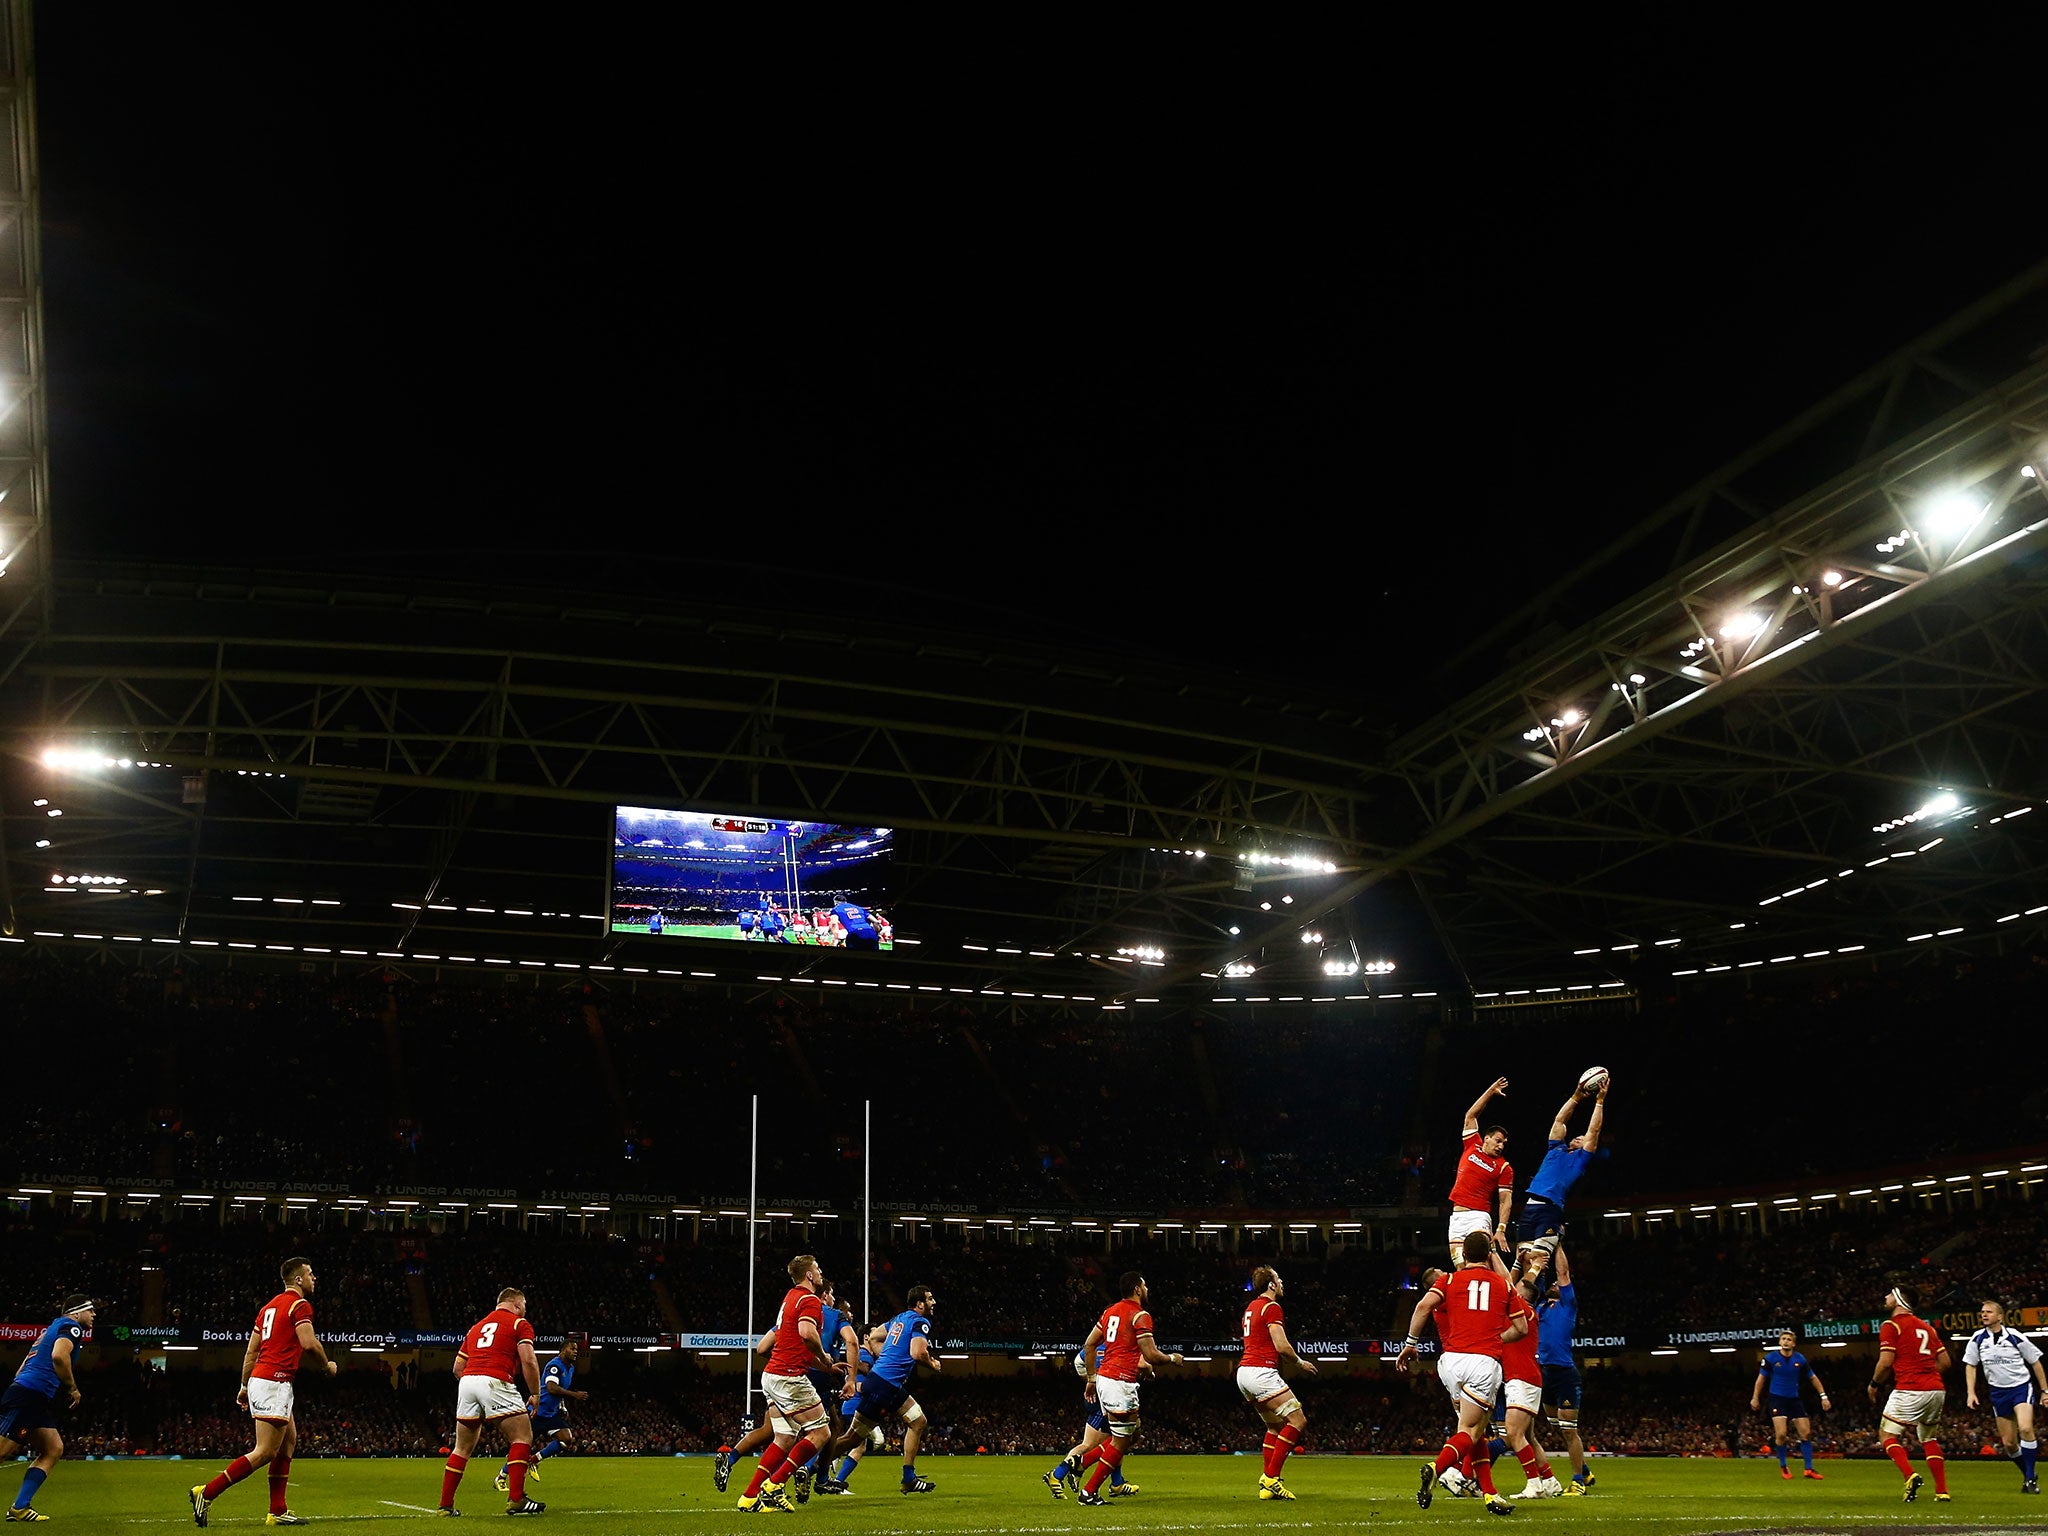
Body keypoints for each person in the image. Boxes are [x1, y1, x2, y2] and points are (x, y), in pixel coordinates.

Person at [189, 1257, 335, 1529]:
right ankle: (206, 1493)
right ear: (299, 1279)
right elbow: (309, 1343)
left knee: (288, 1440)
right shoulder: (299, 1305)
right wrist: (327, 1366)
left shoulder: (268, 1308)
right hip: (275, 1381)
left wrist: (245, 1386)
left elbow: (251, 1352)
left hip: (261, 1379)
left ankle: (277, 1510)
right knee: (265, 1451)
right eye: (311, 1273)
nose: (315, 1278)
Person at [1398, 1231, 1526, 1518]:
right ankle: (1438, 1468)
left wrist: (1409, 1345)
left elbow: (1422, 1306)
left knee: (1476, 1431)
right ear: (1489, 1253)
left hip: (1451, 1363)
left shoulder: (1450, 1281)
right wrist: (1496, 1338)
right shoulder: (1503, 1286)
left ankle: (1490, 1494)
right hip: (1482, 1362)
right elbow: (1522, 1329)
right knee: (1470, 1430)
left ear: (1464, 1255)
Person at [718, 1280, 858, 1498]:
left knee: (775, 1433)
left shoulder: (790, 1310)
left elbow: (762, 1347)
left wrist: (783, 1359)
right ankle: (807, 1475)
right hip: (806, 1378)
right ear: (824, 1295)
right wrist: (847, 1376)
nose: (832, 1300)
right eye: (831, 1295)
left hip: (780, 1375)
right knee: (824, 1430)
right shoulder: (829, 1313)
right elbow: (851, 1342)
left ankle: (735, 1464)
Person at [735, 1255, 839, 1512]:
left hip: (772, 1375)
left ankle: (749, 1497)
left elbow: (791, 1345)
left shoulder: (790, 1298)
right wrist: (825, 1356)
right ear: (810, 1275)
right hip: (788, 1377)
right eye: (818, 1268)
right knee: (822, 1432)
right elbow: (806, 1333)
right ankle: (774, 1485)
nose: (821, 1271)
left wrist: (825, 1366)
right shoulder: (810, 1300)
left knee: (784, 1437)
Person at [1072, 1274, 1185, 1507]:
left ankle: (1081, 1463)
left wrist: (1092, 1378)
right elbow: (1152, 1355)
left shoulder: (1109, 1311)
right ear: (1137, 1289)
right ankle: (1089, 1492)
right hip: (1120, 1382)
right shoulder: (1140, 1315)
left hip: (1105, 1380)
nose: (1147, 1289)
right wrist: (1173, 1358)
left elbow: (1089, 1344)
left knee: (1131, 1435)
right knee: (1121, 1442)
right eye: (1145, 1285)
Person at [822, 1286, 944, 1496]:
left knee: (918, 1421)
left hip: (885, 1383)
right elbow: (918, 1352)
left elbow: (875, 1338)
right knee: (853, 1439)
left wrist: (887, 1354)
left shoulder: (899, 1319)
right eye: (930, 1299)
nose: (934, 1303)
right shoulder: (920, 1321)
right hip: (885, 1385)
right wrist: (932, 1364)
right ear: (920, 1304)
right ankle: (812, 1466)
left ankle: (909, 1478)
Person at [437, 1286, 545, 1517]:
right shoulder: (519, 1324)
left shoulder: (475, 1328)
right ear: (516, 1303)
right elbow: (529, 1361)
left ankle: (445, 1506)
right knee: (522, 1436)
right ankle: (516, 1499)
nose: (525, 1309)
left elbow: (457, 1367)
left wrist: (477, 1390)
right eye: (524, 1305)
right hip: (494, 1379)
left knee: (462, 1447)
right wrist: (535, 1394)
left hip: (467, 1382)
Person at [0, 1294, 94, 1524]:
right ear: (76, 1311)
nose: (94, 1315)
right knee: (1, 1452)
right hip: (30, 1395)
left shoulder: (49, 1329)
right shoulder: (72, 1327)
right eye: (90, 1310)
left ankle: (20, 1508)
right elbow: (59, 1357)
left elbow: (23, 1366)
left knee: (53, 1448)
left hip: (32, 1394)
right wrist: (72, 1388)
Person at [1237, 1266, 1318, 1501]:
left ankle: (1266, 1488)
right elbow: (1281, 1346)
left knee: (1274, 1427)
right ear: (1271, 1285)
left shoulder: (1251, 1307)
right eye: (1278, 1279)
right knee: (1297, 1419)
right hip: (1261, 1371)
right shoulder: (1272, 1307)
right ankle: (1271, 1478)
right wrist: (1300, 1363)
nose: (1281, 1282)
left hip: (1244, 1373)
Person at [1869, 1283, 1951, 1503]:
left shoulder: (1891, 1325)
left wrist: (1874, 1384)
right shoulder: (1928, 1328)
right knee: (1929, 1438)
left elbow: (1886, 1362)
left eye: (1889, 1294)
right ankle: (1941, 1491)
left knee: (1887, 1436)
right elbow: (1945, 1362)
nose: (1885, 1297)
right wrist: (1927, 1373)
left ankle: (1910, 1475)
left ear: (1898, 1299)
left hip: (1910, 1387)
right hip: (1935, 1389)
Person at [1515, 1075, 1609, 1257]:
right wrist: (1576, 1097)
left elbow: (1593, 1130)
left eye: (1582, 1138)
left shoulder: (1582, 1159)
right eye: (1578, 1135)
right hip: (1530, 1205)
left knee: (1538, 1259)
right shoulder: (1556, 1148)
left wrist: (1599, 1101)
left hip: (1550, 1208)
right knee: (1523, 1258)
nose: (1578, 1137)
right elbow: (1560, 1121)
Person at [1496, 1250, 1562, 1498]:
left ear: (1525, 1297)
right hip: (1526, 1377)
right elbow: (1512, 1286)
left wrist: (1532, 1267)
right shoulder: (1524, 1313)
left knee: (1513, 1434)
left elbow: (1509, 1286)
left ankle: (1534, 1484)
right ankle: (1550, 1480)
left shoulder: (1524, 1309)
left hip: (1522, 1378)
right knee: (1528, 1437)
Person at [1964, 1298, 2044, 1493]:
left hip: (2020, 1388)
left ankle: (2031, 1479)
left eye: (1989, 1312)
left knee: (2025, 1428)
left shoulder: (2015, 1336)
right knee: (2009, 1443)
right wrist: (1971, 1392)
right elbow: (1971, 1365)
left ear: (2000, 1316)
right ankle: (2028, 1475)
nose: (1984, 1314)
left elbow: (2035, 1362)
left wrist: (2045, 1390)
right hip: (1998, 1391)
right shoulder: (1977, 1338)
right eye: (1982, 1312)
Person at [1039, 1343, 1135, 1499]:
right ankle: (1057, 1474)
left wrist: (1090, 1380)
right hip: (1105, 1399)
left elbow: (1078, 1361)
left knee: (1118, 1440)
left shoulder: (1098, 1345)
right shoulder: (1117, 1346)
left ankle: (1117, 1483)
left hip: (1100, 1396)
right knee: (1099, 1443)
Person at [1535, 1245, 1592, 1494]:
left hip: (1565, 1374)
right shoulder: (1540, 1308)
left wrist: (1555, 1244)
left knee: (1569, 1430)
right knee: (1555, 1425)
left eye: (1558, 1284)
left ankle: (1578, 1481)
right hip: (1544, 1373)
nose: (1556, 1284)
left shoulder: (1568, 1305)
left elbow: (1564, 1273)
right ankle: (1586, 1470)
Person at [495, 1339, 585, 1492]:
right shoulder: (555, 1366)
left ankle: (534, 1460)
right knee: (522, 1447)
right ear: (563, 1350)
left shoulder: (570, 1368)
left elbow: (559, 1391)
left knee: (567, 1439)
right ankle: (501, 1477)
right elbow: (551, 1388)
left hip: (551, 1414)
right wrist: (574, 1395)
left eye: (577, 1349)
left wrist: (562, 1406)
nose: (576, 1351)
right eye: (572, 1348)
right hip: (537, 1413)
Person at [817, 1324, 890, 1495]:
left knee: (858, 1445)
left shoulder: (868, 1355)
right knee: (871, 1442)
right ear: (866, 1337)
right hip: (857, 1405)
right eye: (875, 1334)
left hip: (853, 1405)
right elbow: (861, 1369)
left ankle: (834, 1467)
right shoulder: (863, 1353)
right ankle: (831, 1465)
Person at [1750, 1330, 1831, 1479]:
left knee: (1806, 1433)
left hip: (1794, 1399)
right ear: (1780, 1342)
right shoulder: (1771, 1358)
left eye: (1789, 1339)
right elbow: (1761, 1379)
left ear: (1793, 1343)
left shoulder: (1800, 1359)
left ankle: (1809, 1469)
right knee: (1781, 1435)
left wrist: (1823, 1396)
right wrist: (1755, 1397)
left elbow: (1813, 1378)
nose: (1786, 1341)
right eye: (1783, 1339)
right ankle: (1783, 1466)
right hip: (1777, 1399)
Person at [1448, 1078, 1514, 1261]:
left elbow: (1505, 1201)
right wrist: (1491, 1091)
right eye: (1498, 1141)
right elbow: (1470, 1116)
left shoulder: (1504, 1167)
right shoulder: (1472, 1144)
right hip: (1457, 1216)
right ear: (1486, 1138)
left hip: (1478, 1217)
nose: (1501, 1146)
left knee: (1481, 1263)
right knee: (1461, 1267)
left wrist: (1501, 1228)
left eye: (1504, 1144)